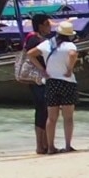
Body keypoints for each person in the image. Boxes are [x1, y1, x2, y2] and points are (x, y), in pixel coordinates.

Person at [14, 14, 53, 155]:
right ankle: (41, 145)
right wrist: (42, 69)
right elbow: (31, 54)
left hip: (41, 79)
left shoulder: (40, 38)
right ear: (41, 25)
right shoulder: (34, 38)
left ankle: (45, 144)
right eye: (48, 23)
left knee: (44, 110)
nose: (50, 26)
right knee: (43, 109)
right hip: (37, 79)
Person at [43, 18, 82, 153]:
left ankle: (50, 147)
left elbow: (30, 54)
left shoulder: (47, 44)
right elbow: (72, 54)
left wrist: (42, 70)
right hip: (67, 82)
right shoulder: (70, 46)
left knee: (51, 118)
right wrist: (69, 69)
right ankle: (67, 146)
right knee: (68, 117)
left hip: (51, 82)